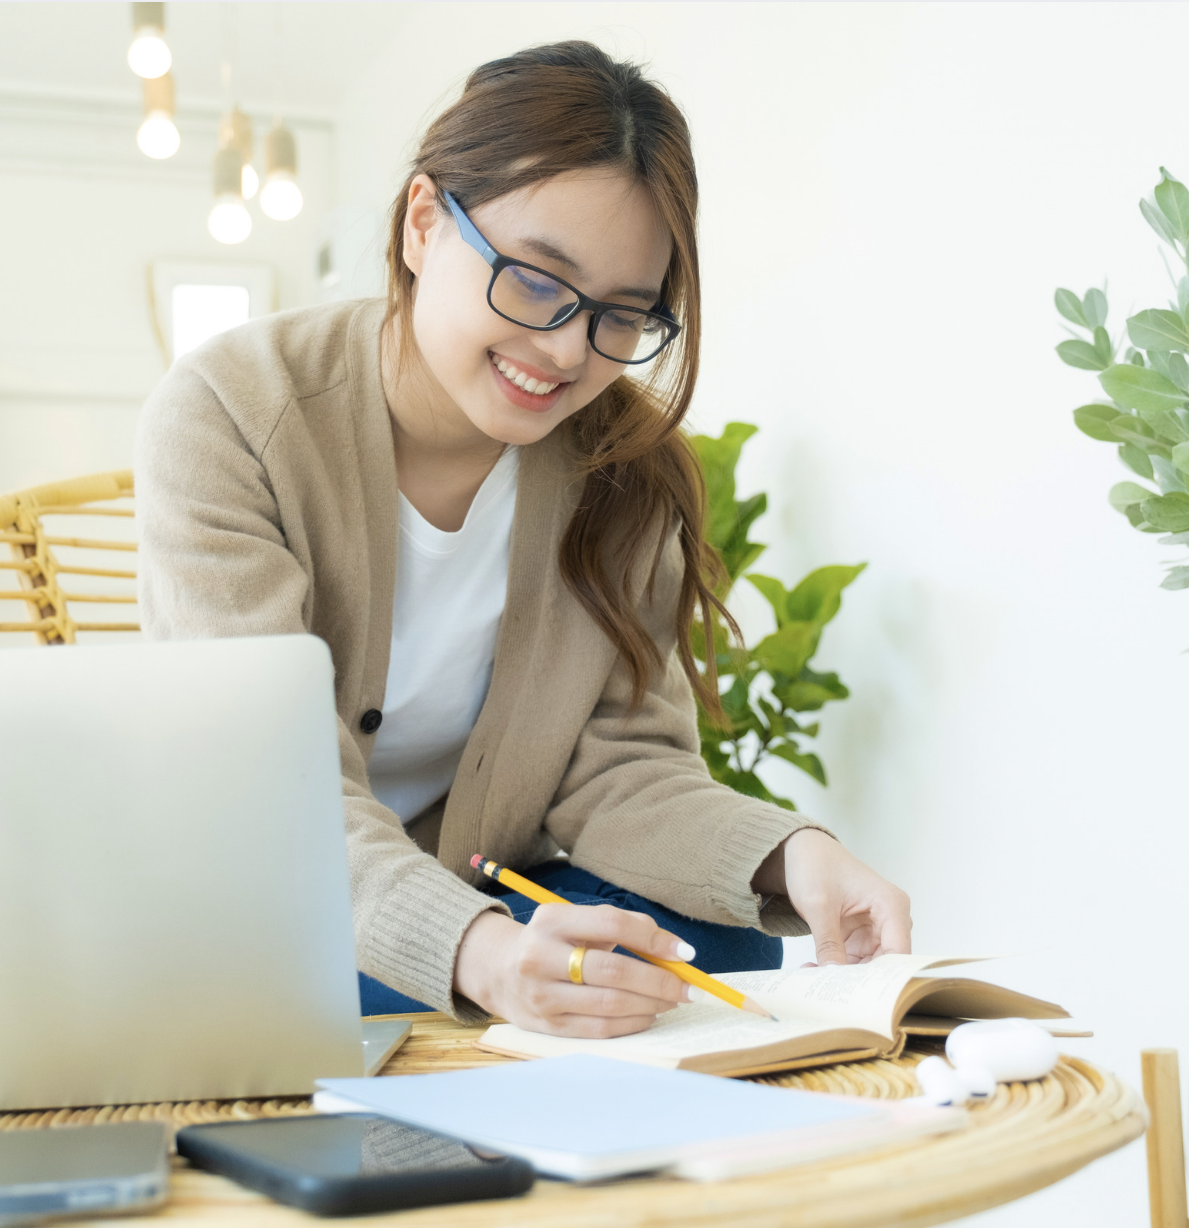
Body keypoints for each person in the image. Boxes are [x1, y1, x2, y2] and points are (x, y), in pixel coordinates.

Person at [135, 41, 911, 1040]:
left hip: (492, 882)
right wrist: (481, 952)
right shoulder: (228, 412)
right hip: (265, 895)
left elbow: (620, 772)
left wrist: (792, 855)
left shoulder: (621, 468)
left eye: (622, 316)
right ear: (424, 223)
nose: (565, 351)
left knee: (711, 949)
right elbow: (260, 788)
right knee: (353, 987)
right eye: (537, 282)